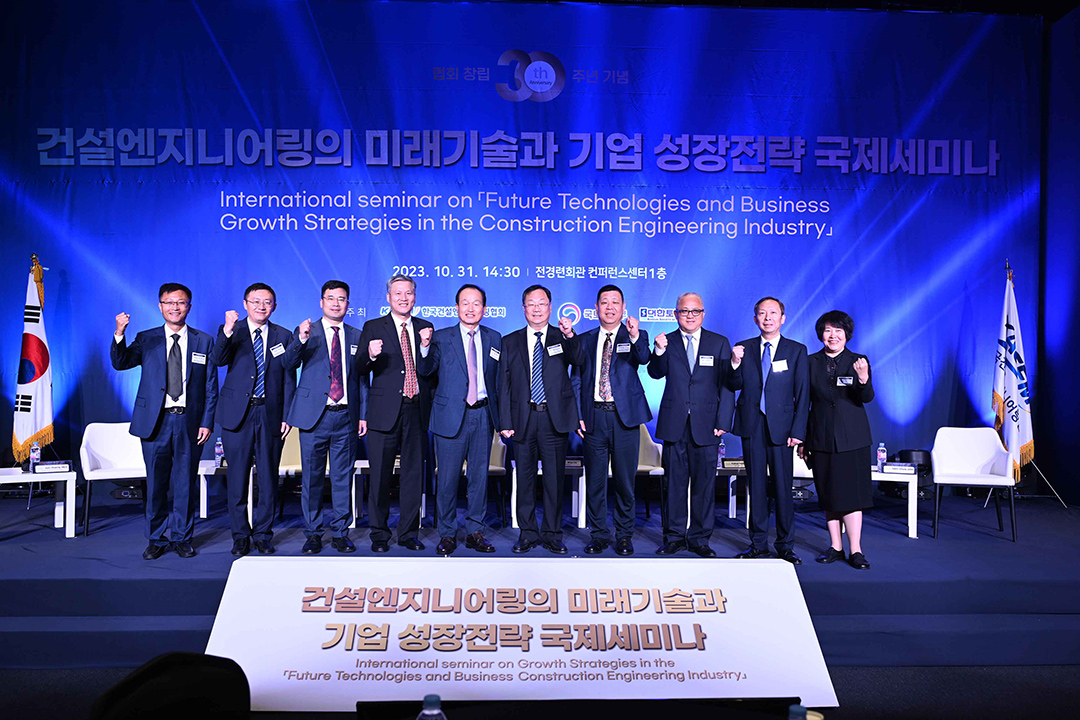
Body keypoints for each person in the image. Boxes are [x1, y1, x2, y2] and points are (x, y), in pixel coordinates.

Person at [111, 283, 218, 559]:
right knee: (156, 484)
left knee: (185, 483)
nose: (175, 307)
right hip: (155, 422)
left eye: (180, 302)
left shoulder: (204, 341)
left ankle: (182, 537)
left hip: (189, 422)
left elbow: (210, 386)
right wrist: (120, 333)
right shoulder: (147, 338)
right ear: (160, 307)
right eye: (169, 303)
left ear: (189, 307)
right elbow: (121, 363)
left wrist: (207, 422)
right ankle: (156, 539)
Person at [648, 292, 742, 557]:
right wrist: (658, 351)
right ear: (675, 314)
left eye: (695, 311)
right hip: (674, 422)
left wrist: (724, 420)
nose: (690, 316)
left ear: (703, 314)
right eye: (684, 311)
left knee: (704, 486)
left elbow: (728, 385)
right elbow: (655, 373)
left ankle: (700, 538)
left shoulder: (719, 343)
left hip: (708, 424)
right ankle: (674, 537)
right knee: (674, 485)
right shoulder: (667, 341)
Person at [210, 283, 295, 556]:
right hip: (238, 414)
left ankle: (263, 534)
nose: (261, 306)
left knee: (269, 478)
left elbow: (289, 377)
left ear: (274, 306)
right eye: (256, 301)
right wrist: (227, 330)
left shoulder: (284, 335)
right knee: (237, 478)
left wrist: (287, 415)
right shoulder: (232, 331)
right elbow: (218, 359)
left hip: (270, 414)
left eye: (267, 302)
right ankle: (240, 536)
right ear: (245, 304)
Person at [282, 280, 367, 555]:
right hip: (313, 417)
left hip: (346, 417)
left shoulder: (357, 335)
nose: (335, 303)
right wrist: (301, 339)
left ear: (348, 304)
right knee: (312, 478)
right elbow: (288, 364)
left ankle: (341, 533)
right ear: (321, 302)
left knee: (343, 478)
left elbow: (362, 379)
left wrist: (363, 415)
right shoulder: (307, 331)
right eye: (330, 298)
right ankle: (313, 534)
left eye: (341, 299)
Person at [498, 285, 582, 555]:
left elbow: (579, 359)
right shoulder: (510, 341)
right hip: (522, 420)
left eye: (541, 303)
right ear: (523, 309)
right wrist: (505, 421)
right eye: (531, 304)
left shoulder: (562, 336)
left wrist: (570, 334)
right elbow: (504, 385)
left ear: (550, 307)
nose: (536, 309)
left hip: (553, 419)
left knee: (554, 481)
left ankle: (552, 534)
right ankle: (527, 533)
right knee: (524, 480)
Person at [417, 284, 501, 556]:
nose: (470, 308)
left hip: (483, 415)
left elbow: (499, 381)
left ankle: (476, 531)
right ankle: (447, 533)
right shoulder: (441, 337)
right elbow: (426, 371)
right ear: (456, 308)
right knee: (447, 479)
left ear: (484, 309)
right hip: (449, 416)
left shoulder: (494, 338)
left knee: (479, 478)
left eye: (476, 303)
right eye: (465, 303)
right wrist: (424, 347)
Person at [358, 274, 434, 553]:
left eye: (409, 293)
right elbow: (359, 368)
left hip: (416, 410)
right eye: (398, 293)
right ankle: (379, 534)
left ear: (415, 297)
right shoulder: (373, 326)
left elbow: (430, 371)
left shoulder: (426, 327)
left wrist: (425, 348)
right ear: (388, 297)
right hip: (383, 411)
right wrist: (370, 355)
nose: (404, 298)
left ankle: (408, 533)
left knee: (413, 475)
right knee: (380, 475)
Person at [575, 285, 651, 556]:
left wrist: (635, 335)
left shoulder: (635, 335)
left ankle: (624, 535)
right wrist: (578, 415)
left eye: (615, 302)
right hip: (593, 416)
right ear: (596, 307)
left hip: (624, 418)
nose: (610, 307)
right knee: (595, 482)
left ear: (623, 307)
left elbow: (644, 358)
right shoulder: (584, 339)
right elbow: (576, 379)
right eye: (604, 302)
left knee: (624, 482)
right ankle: (598, 535)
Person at [732, 297, 809, 564]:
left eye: (773, 313)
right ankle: (758, 545)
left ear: (782, 318)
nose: (767, 318)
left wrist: (798, 430)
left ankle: (785, 546)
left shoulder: (796, 350)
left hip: (783, 430)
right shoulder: (744, 348)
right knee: (756, 487)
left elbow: (803, 394)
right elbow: (733, 383)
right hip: (752, 425)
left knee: (783, 488)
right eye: (762, 314)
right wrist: (734, 363)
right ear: (755, 319)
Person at [799, 310, 875, 570]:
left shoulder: (858, 361)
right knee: (828, 492)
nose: (832, 335)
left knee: (852, 495)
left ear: (847, 335)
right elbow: (803, 402)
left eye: (838, 331)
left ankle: (856, 550)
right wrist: (803, 439)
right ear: (821, 334)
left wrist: (863, 379)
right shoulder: (809, 362)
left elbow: (866, 397)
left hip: (852, 437)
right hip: (820, 436)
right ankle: (835, 546)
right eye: (828, 330)